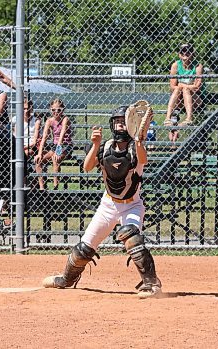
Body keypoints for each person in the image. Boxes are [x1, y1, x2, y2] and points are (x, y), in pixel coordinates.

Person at [42, 106, 162, 299]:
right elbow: (87, 167)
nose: (121, 125)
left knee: (131, 236)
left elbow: (143, 158)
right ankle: (66, 278)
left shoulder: (135, 147)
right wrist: (95, 144)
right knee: (83, 250)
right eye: (117, 121)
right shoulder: (105, 146)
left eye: (125, 121)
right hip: (108, 205)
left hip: (131, 205)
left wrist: (139, 138)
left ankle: (151, 283)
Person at [34, 99, 73, 190]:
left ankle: (55, 187)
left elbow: (62, 136)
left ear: (62, 110)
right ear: (50, 109)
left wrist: (58, 152)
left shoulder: (65, 119)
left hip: (65, 145)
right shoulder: (49, 121)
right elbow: (44, 137)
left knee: (55, 158)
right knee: (38, 161)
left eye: (59, 110)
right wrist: (39, 153)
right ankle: (41, 188)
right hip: (55, 145)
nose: (56, 112)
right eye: (53, 110)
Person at [164, 43, 205, 126]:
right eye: (182, 51)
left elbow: (197, 87)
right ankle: (167, 118)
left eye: (188, 51)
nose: (185, 53)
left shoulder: (198, 66)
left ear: (193, 53)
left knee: (185, 89)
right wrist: (186, 86)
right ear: (179, 54)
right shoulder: (175, 65)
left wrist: (182, 85)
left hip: (195, 100)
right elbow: (172, 86)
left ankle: (189, 119)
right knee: (177, 89)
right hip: (179, 100)